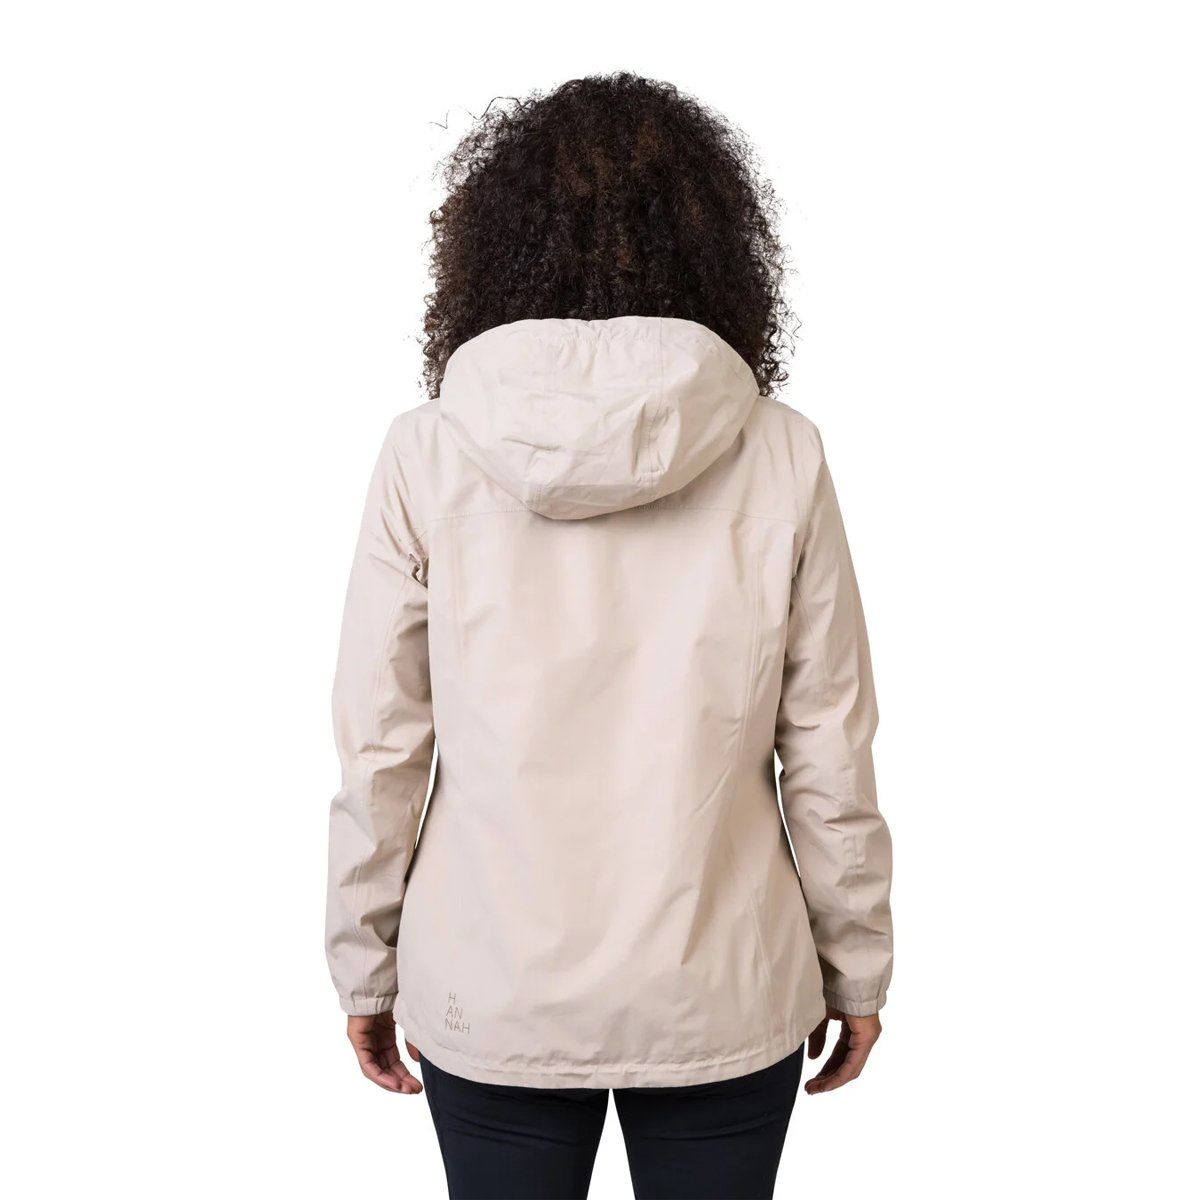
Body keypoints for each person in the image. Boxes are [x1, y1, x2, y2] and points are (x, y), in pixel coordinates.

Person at [325, 73, 893, 1200]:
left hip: (494, 985)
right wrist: (857, 964)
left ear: (492, 247)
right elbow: (830, 745)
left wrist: (365, 965)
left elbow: (381, 744)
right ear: (716, 246)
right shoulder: (780, 452)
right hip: (724, 982)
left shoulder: (429, 453)